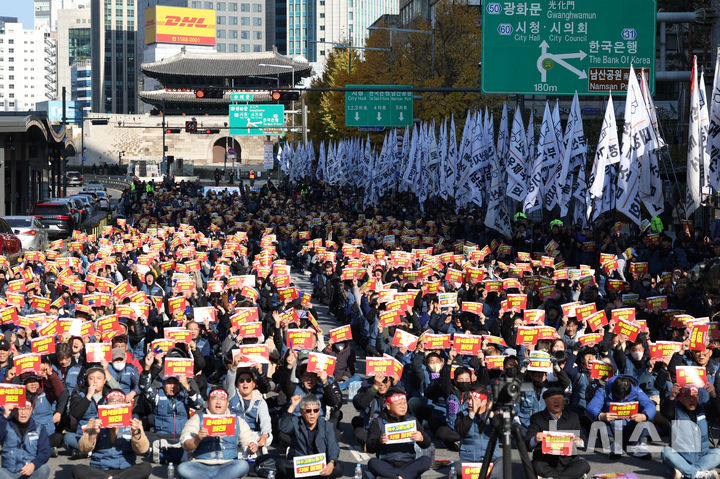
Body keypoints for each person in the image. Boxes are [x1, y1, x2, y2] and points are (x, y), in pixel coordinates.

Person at [71, 390, 152, 479]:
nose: (116, 403)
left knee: (146, 467)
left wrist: (136, 433)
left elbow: (143, 449)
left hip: (125, 470)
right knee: (78, 469)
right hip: (100, 470)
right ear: (106, 405)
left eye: (120, 400)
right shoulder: (94, 422)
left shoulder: (134, 423)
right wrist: (93, 433)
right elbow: (83, 448)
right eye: (112, 400)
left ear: (125, 404)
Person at [178, 388, 256, 479]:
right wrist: (197, 438)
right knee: (183, 468)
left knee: (243, 465)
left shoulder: (237, 421)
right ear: (208, 402)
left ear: (227, 404)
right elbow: (186, 445)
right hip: (200, 465)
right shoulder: (197, 419)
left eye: (222, 399)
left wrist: (251, 447)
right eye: (214, 398)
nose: (218, 402)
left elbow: (248, 440)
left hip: (228, 465)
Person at [365, 388, 432, 479]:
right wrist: (379, 441)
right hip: (387, 463)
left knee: (426, 460)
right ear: (388, 406)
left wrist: (421, 438)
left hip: (408, 464)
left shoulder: (411, 420)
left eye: (404, 403)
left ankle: (398, 476)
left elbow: (427, 443)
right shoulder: (378, 422)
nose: (403, 406)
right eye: (399, 404)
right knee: (372, 463)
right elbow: (369, 447)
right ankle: (403, 476)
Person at [526, 388, 590, 479]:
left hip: (568, 462)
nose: (557, 402)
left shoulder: (573, 417)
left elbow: (586, 443)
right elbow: (527, 443)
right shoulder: (537, 418)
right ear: (546, 402)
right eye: (553, 399)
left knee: (583, 465)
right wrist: (535, 439)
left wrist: (580, 442)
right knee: (535, 465)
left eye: (559, 399)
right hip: (545, 462)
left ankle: (554, 477)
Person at [661, 383, 720, 479]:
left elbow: (718, 411)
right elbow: (666, 412)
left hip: (702, 457)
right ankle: (698, 474)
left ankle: (686, 472)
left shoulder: (704, 409)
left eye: (694, 396)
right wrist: (672, 396)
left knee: (718, 453)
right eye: (687, 397)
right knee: (666, 452)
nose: (692, 399)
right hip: (681, 457)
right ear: (680, 399)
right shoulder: (675, 409)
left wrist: (713, 394)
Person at [277, 394, 341, 479]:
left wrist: (331, 463)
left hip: (319, 465)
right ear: (301, 412)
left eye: (315, 410)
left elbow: (333, 447)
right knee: (280, 464)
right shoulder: (296, 422)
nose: (312, 414)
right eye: (308, 411)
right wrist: (292, 406)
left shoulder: (326, 425)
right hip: (301, 466)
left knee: (339, 468)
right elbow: (283, 427)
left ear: (319, 411)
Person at [454, 385, 503, 479]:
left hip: (492, 461)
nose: (469, 402)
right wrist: (471, 414)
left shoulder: (495, 416)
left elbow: (502, 432)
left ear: (484, 401)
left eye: (473, 399)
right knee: (455, 466)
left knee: (504, 462)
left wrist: (491, 414)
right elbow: (460, 431)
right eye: (468, 399)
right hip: (470, 462)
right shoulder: (462, 415)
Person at [0, 399, 51, 479]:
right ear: (14, 411)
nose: (23, 413)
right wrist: (4, 417)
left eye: (27, 409)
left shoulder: (39, 428)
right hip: (9, 472)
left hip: (30, 472)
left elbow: (45, 452)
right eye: (20, 409)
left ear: (31, 410)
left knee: (44, 469)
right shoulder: (5, 424)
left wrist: (34, 464)